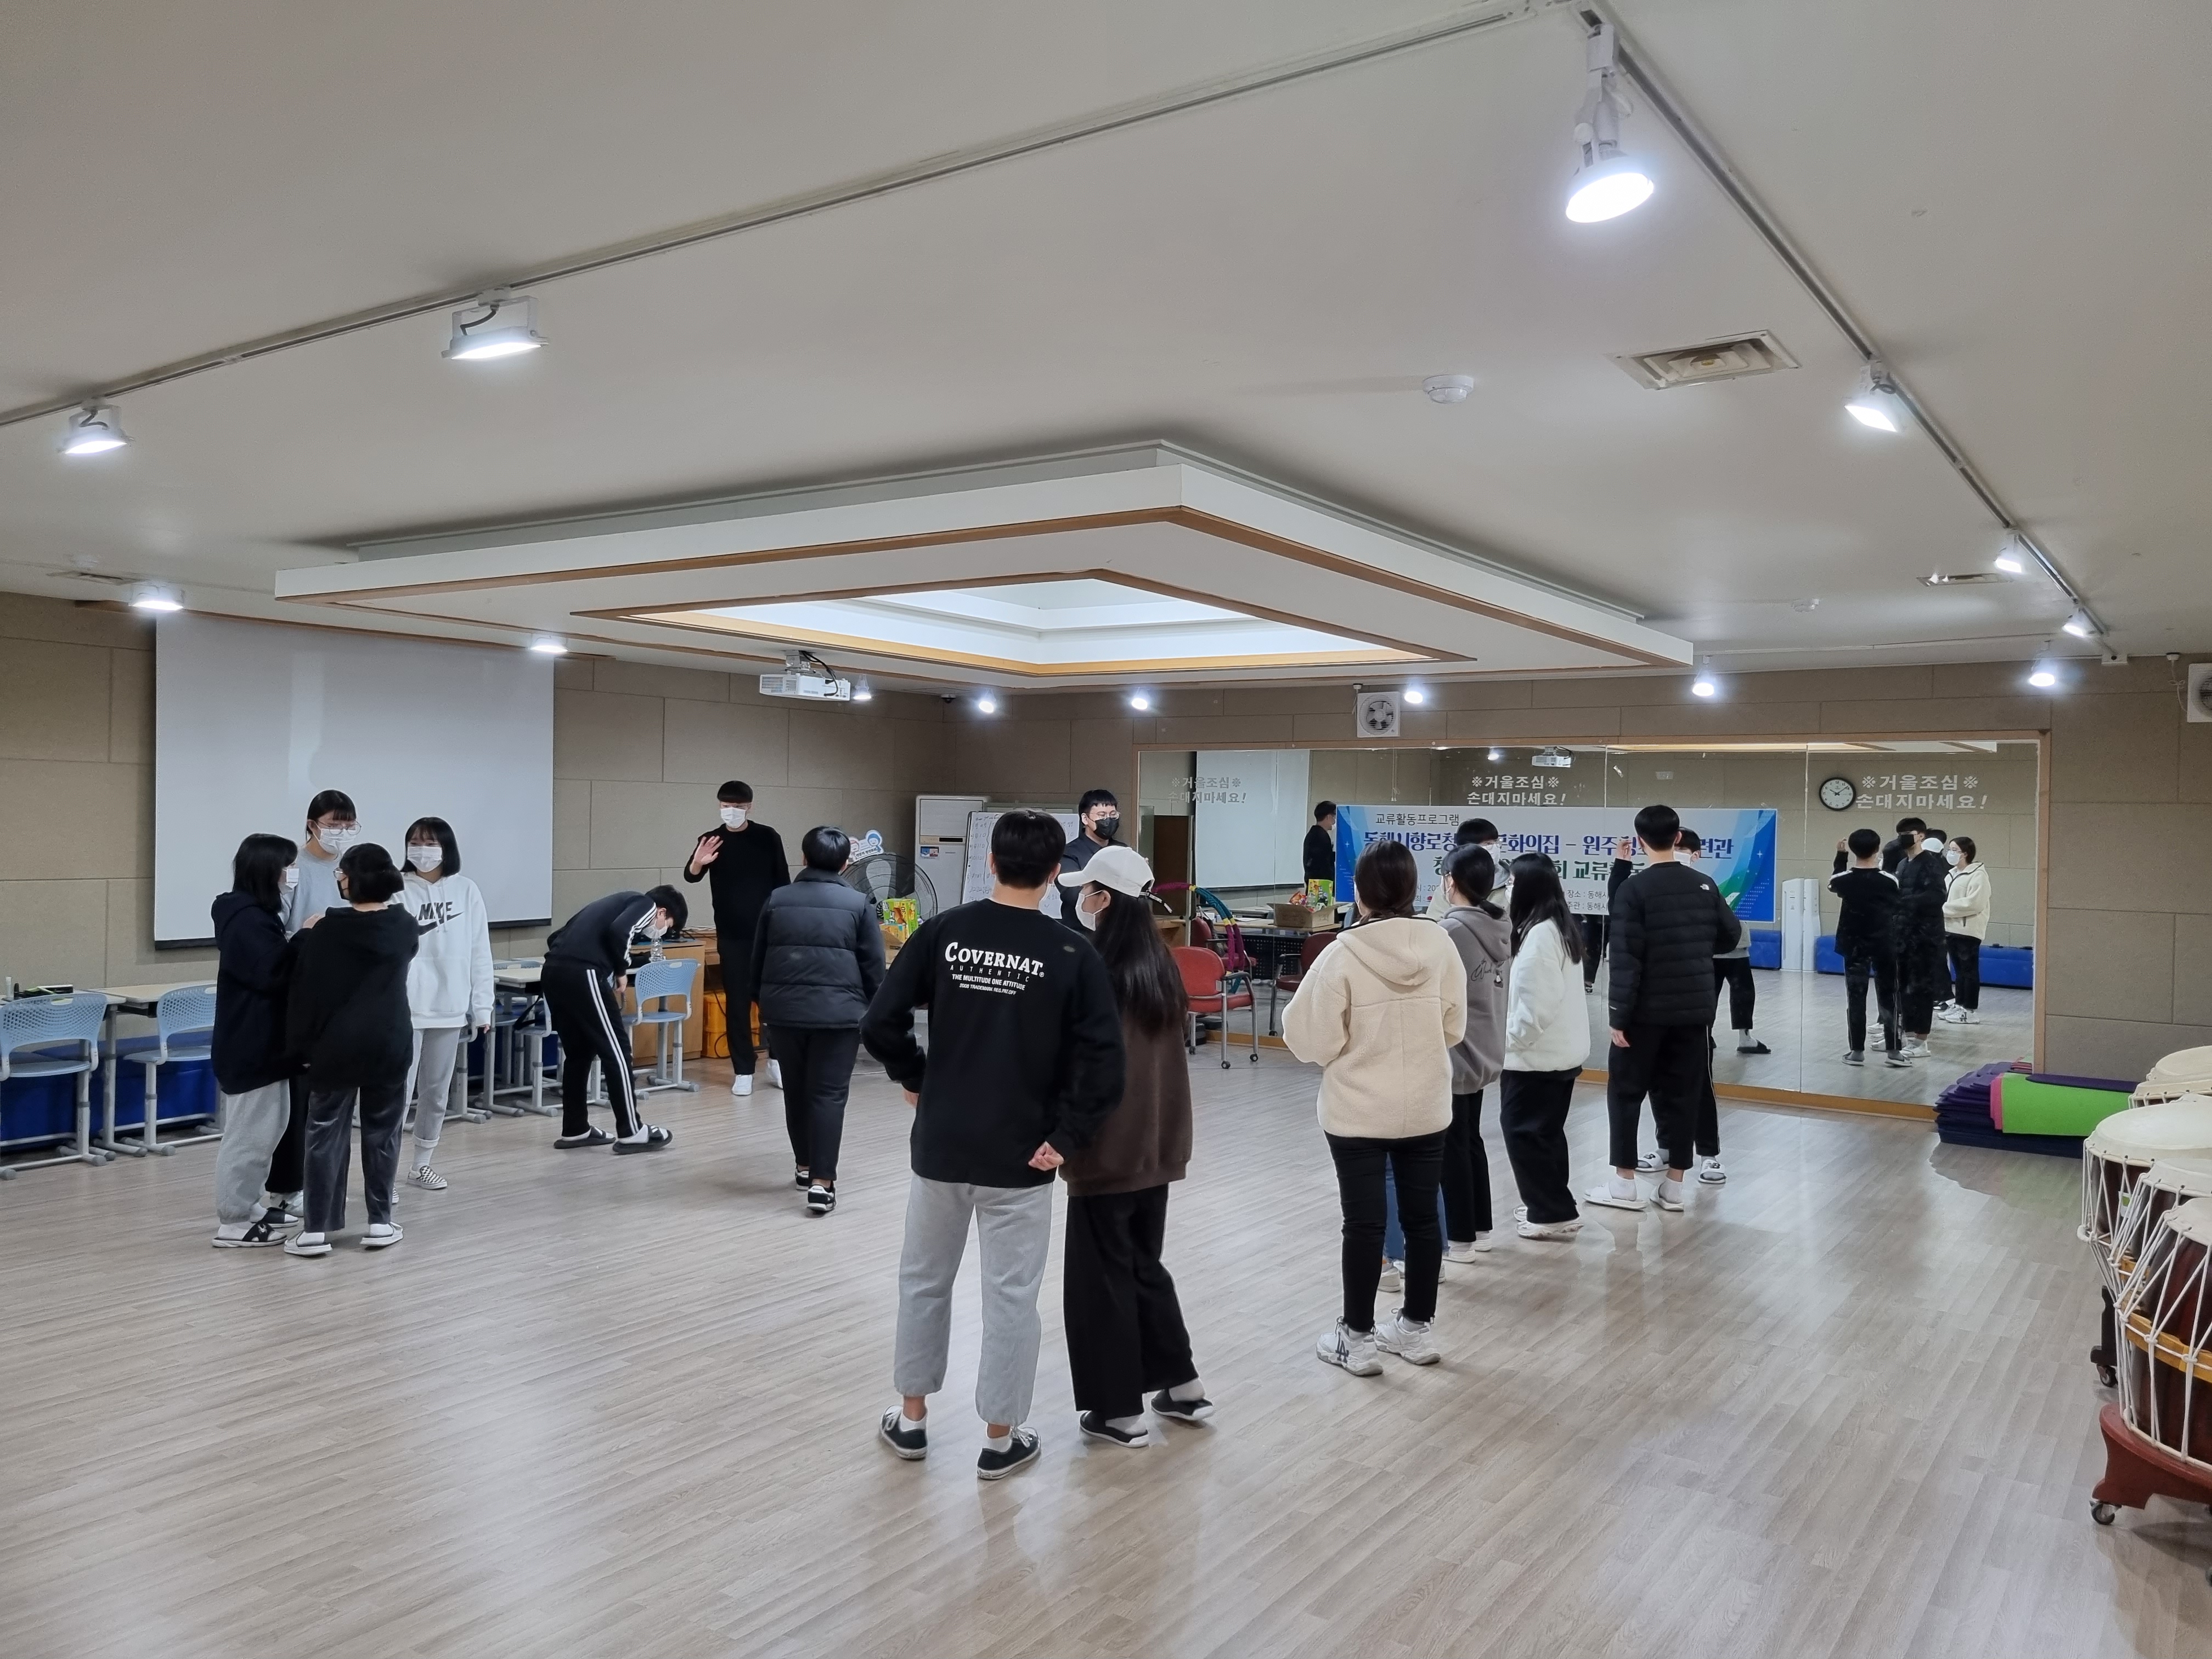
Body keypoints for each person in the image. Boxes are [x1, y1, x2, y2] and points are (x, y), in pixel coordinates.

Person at [864, 810, 1124, 1480]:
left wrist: (917, 1078)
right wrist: (1067, 1138)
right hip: (1024, 1155)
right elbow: (1106, 1064)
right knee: (1011, 1297)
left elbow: (880, 1023)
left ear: (990, 863)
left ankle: (912, 1419)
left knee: (924, 1282)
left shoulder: (943, 932)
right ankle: (1000, 1438)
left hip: (942, 1145)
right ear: (1056, 873)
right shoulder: (1072, 953)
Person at [1285, 839, 1466, 1378]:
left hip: (1359, 1109)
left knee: (1364, 1224)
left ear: (1361, 891)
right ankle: (1415, 1329)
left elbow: (1308, 1039)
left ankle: (1357, 1339)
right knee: (1422, 1220)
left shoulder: (1343, 953)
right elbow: (1454, 1027)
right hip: (1427, 1104)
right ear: (1413, 888)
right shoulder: (1440, 945)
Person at [1054, 844, 1210, 1447]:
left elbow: (1084, 1068)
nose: (1082, 900)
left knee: (1100, 1278)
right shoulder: (1160, 965)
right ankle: (1184, 1386)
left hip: (1108, 1148)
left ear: (1106, 900)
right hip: (1159, 1147)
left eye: (1088, 891)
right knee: (1144, 1264)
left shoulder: (1097, 970)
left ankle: (1118, 1412)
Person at [1589, 804, 1738, 1215]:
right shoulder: (1704, 884)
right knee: (1684, 1093)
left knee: (1626, 1093)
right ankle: (1674, 1187)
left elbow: (1625, 959)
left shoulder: (1633, 890)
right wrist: (1694, 947)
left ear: (1640, 842)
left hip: (1644, 1013)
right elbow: (1730, 936)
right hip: (1694, 1011)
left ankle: (1624, 1183)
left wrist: (1618, 1016)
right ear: (1677, 838)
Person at [283, 843, 419, 1256]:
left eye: (341, 873)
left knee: (325, 1132)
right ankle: (380, 1222)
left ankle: (316, 1231)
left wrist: (300, 1047)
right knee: (383, 1132)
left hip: (336, 1044)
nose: (339, 879)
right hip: (390, 1040)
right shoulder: (405, 925)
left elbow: (307, 992)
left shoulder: (328, 929)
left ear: (352, 880)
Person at [749, 825, 885, 1214]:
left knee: (796, 1090)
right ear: (845, 863)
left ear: (804, 858)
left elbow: (758, 960)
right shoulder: (858, 904)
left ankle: (804, 1167)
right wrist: (875, 1010)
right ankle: (822, 1185)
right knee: (828, 1094)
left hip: (784, 1014)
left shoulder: (777, 899)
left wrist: (765, 1002)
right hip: (840, 1017)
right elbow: (873, 967)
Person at [266, 787, 360, 1221]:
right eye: (333, 824)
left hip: (345, 997)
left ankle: (323, 1183)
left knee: (334, 1098)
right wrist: (311, 935)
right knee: (300, 1098)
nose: (341, 831)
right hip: (303, 992)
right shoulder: (294, 868)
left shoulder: (352, 869)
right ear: (311, 825)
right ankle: (287, 1188)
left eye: (348, 825)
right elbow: (278, 930)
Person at [540, 885, 687, 1153]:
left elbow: (554, 937)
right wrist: (621, 970)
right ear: (662, 912)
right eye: (668, 926)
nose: (662, 931)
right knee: (618, 1051)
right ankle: (632, 1131)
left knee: (579, 1054)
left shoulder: (609, 903)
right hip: (584, 973)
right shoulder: (646, 904)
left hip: (553, 971)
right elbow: (620, 931)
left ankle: (575, 1129)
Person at [210, 834, 302, 1248]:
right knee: (249, 1137)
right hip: (251, 1044)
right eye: (288, 866)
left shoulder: (260, 915)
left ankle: (248, 1205)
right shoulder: (246, 919)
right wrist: (305, 937)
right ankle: (233, 1221)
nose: (292, 874)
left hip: (268, 1044)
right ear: (269, 870)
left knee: (268, 1131)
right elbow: (273, 972)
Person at [398, 817, 493, 1192]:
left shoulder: (466, 890)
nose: (422, 849)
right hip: (405, 1010)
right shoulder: (396, 890)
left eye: (430, 843)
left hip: (450, 1007)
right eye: (415, 842)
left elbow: (480, 951)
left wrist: (482, 1006)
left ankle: (421, 1165)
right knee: (397, 1094)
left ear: (446, 848)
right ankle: (383, 1174)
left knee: (436, 1093)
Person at [1499, 853, 1590, 1239]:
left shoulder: (1538, 936)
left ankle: (1550, 1213)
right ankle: (1553, 1205)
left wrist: (1508, 1043)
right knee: (1546, 1133)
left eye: (1511, 884)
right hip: (1559, 1053)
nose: (1507, 891)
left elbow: (1535, 1009)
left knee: (1523, 1132)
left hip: (1536, 1057)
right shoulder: (1557, 926)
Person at [684, 781, 789, 1097]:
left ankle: (776, 1060)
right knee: (738, 1003)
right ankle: (743, 1070)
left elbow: (783, 882)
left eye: (738, 807)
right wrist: (699, 861)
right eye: (726, 806)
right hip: (731, 935)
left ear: (749, 807)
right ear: (719, 806)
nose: (731, 812)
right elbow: (691, 876)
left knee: (772, 1000)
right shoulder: (711, 840)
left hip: (768, 933)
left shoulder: (768, 837)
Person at [1436, 843, 1509, 1258]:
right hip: (1484, 1047)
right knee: (1469, 1139)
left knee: (1453, 1146)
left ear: (1451, 881)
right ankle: (1479, 1229)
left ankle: (1460, 1238)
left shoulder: (1451, 932)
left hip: (1456, 1051)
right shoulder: (1498, 923)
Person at [1830, 829, 1904, 1066]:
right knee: (1889, 996)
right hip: (1884, 943)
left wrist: (1840, 857)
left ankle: (1857, 1051)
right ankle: (1894, 1051)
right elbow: (1897, 903)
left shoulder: (1843, 880)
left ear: (1852, 849)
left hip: (1854, 944)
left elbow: (1834, 883)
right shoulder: (1889, 880)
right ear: (1877, 849)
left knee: (1855, 997)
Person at [1893, 822, 1949, 1058]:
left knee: (1922, 988)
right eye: (1900, 835)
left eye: (1908, 834)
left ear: (1921, 837)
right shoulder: (1902, 864)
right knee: (1904, 987)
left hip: (1925, 937)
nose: (1903, 838)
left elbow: (1937, 897)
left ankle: (1921, 1040)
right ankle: (1908, 1036)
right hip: (1903, 935)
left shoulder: (1931, 864)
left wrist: (1904, 901)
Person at [1939, 836, 1991, 1026]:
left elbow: (1974, 903)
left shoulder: (1978, 875)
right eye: (1950, 849)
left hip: (1968, 930)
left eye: (1955, 850)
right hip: (1950, 929)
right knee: (1959, 971)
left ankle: (1970, 1009)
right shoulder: (1950, 875)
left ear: (1966, 854)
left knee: (1969, 971)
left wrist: (1943, 909)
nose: (1950, 853)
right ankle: (1960, 1005)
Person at [1056, 788, 1122, 931]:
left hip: (1117, 934)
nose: (1108, 820)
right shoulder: (1069, 854)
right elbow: (1074, 895)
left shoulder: (1123, 850)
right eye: (1102, 815)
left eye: (1113, 815)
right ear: (1085, 819)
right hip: (1080, 934)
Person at [1425, 817, 1501, 919]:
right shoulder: (1449, 888)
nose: (1494, 847)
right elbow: (1434, 921)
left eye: (1496, 842)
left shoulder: (1511, 883)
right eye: (1488, 844)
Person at [1304, 801, 1338, 887]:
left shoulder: (1314, 833)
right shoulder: (1321, 836)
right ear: (1328, 817)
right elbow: (1324, 864)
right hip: (1321, 885)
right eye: (1334, 817)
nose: (1334, 821)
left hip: (1315, 883)